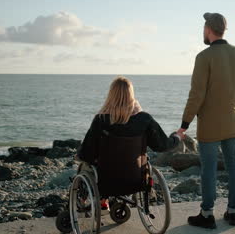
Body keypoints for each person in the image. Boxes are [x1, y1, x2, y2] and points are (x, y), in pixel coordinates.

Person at [178, 13, 235, 229]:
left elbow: (197, 95)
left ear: (208, 29)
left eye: (204, 27)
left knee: (209, 170)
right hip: (233, 120)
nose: (203, 31)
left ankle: (207, 214)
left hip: (210, 125)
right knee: (233, 165)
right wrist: (233, 103)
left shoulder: (204, 57)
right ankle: (233, 213)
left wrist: (184, 124)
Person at [77, 76, 181, 209]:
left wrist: (80, 155)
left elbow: (87, 153)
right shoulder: (144, 119)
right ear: (132, 95)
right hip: (135, 180)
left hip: (106, 181)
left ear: (111, 95)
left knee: (85, 165)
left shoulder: (100, 120)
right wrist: (176, 138)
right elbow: (161, 145)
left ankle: (97, 201)